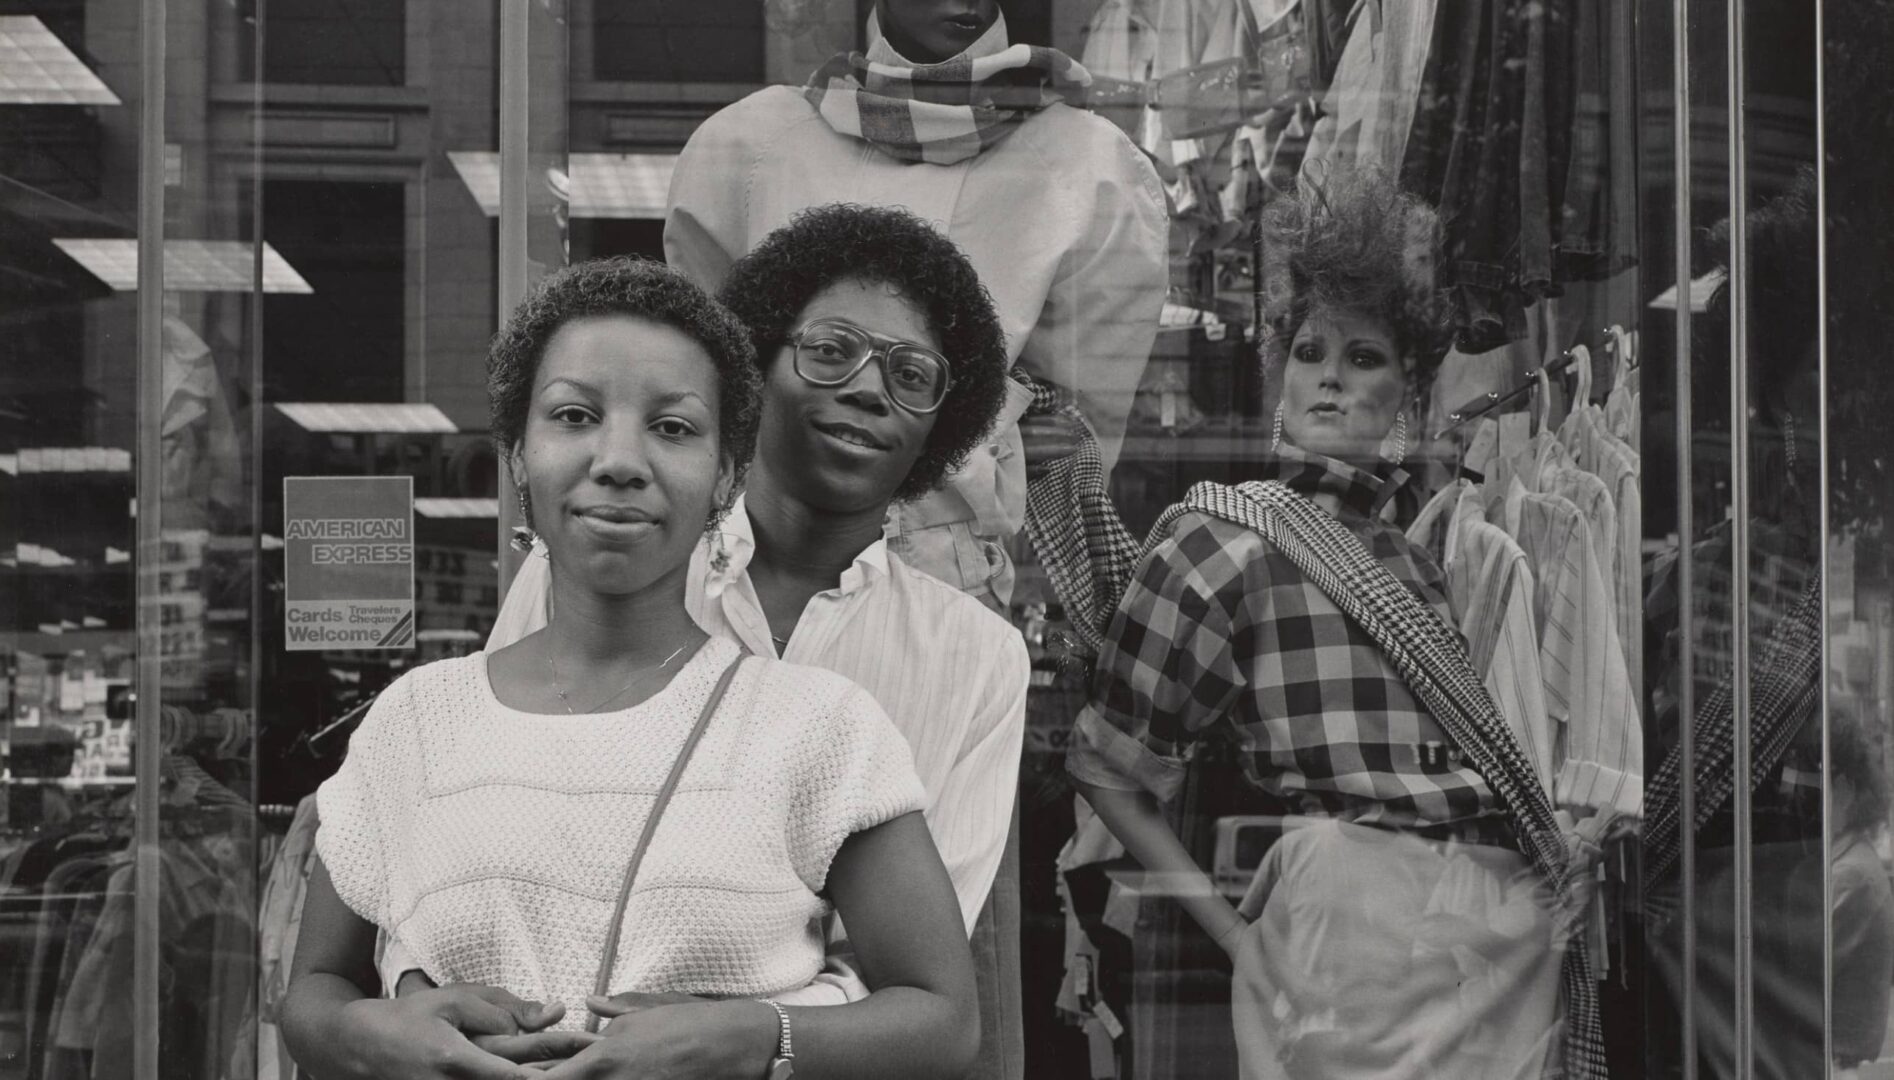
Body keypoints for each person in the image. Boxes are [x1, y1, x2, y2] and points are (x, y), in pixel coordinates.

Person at [280, 257, 979, 1080]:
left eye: (673, 427)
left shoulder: (819, 729)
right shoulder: (415, 721)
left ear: (726, 476)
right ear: (518, 456)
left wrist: (755, 1040)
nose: (618, 459)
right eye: (574, 416)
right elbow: (313, 992)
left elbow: (944, 1022)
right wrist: (374, 1039)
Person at [477, 205, 1031, 1065]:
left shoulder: (977, 658)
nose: (870, 390)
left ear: (940, 421)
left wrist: (743, 1033)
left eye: (912, 374)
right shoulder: (585, 573)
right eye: (832, 349)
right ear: (758, 363)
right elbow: (497, 832)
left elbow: (914, 970)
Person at [1065, 173, 1578, 1079]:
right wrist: (1236, 936)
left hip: (1485, 931)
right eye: (1309, 351)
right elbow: (1107, 767)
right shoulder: (1221, 537)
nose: (1331, 376)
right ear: (1281, 376)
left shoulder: (1416, 558)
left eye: (1364, 356)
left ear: (1409, 394)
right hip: (1348, 917)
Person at [664, 0, 1169, 614]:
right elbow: (708, 381)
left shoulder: (1090, 168)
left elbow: (1078, 430)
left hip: (950, 571)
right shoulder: (748, 146)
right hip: (752, 553)